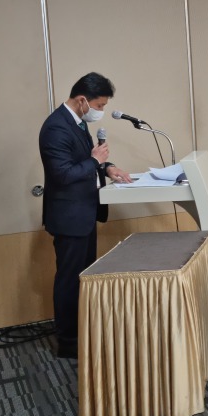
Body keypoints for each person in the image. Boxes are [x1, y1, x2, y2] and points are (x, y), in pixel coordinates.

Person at [39, 72, 132, 359]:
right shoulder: (56, 127)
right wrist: (95, 161)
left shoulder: (77, 122)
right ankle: (68, 341)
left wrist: (107, 167)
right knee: (69, 279)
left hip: (84, 212)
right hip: (69, 217)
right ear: (82, 100)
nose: (100, 111)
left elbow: (84, 160)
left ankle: (83, 331)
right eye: (99, 105)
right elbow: (63, 174)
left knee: (83, 276)